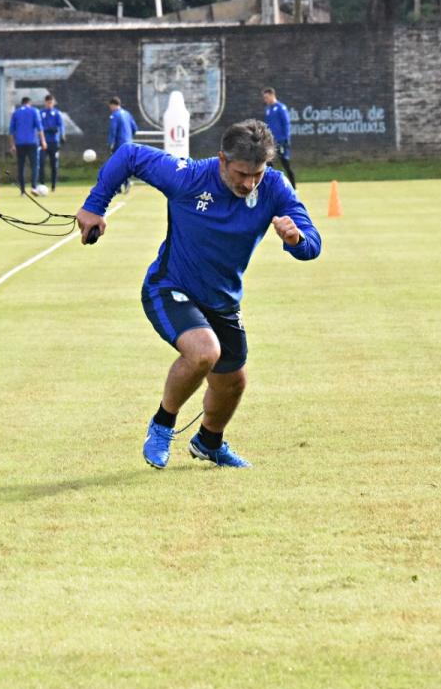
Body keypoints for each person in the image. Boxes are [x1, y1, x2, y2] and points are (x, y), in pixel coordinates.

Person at [75, 119, 322, 469]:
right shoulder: (188, 176)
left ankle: (209, 441)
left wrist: (296, 239)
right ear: (222, 159)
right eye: (241, 174)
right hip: (169, 287)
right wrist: (95, 206)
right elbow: (128, 155)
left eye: (258, 174)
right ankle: (162, 424)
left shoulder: (275, 188)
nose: (249, 184)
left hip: (222, 301)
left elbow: (313, 244)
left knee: (233, 382)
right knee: (205, 351)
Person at [8, 96, 47, 195]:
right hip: (32, 142)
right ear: (29, 103)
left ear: (22, 103)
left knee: (21, 166)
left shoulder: (16, 113)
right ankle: (34, 187)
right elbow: (40, 128)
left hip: (19, 143)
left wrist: (12, 145)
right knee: (34, 165)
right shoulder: (34, 111)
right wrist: (43, 141)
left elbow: (11, 131)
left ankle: (22, 191)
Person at [262, 87, 296, 189]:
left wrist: (286, 140)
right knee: (268, 164)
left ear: (272, 95)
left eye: (267, 97)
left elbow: (286, 124)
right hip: (271, 142)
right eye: (264, 98)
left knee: (285, 163)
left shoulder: (281, 108)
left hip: (281, 141)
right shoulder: (267, 110)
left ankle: (294, 187)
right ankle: (271, 186)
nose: (265, 100)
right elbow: (267, 125)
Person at [107, 96, 138, 193]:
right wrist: (129, 138)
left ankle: (121, 186)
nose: (110, 109)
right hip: (129, 143)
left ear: (113, 105)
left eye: (110, 106)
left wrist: (111, 143)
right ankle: (123, 185)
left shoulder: (115, 115)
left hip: (119, 144)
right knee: (124, 165)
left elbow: (113, 130)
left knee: (116, 165)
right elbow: (135, 128)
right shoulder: (127, 114)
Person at [40, 93, 65, 191]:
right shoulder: (41, 113)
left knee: (54, 164)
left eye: (51, 102)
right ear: (45, 103)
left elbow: (60, 126)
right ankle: (41, 184)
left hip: (54, 142)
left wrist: (62, 135)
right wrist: (49, 129)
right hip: (43, 142)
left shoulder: (57, 113)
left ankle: (53, 186)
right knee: (41, 163)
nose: (49, 104)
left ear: (53, 103)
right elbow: (40, 127)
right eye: (48, 103)